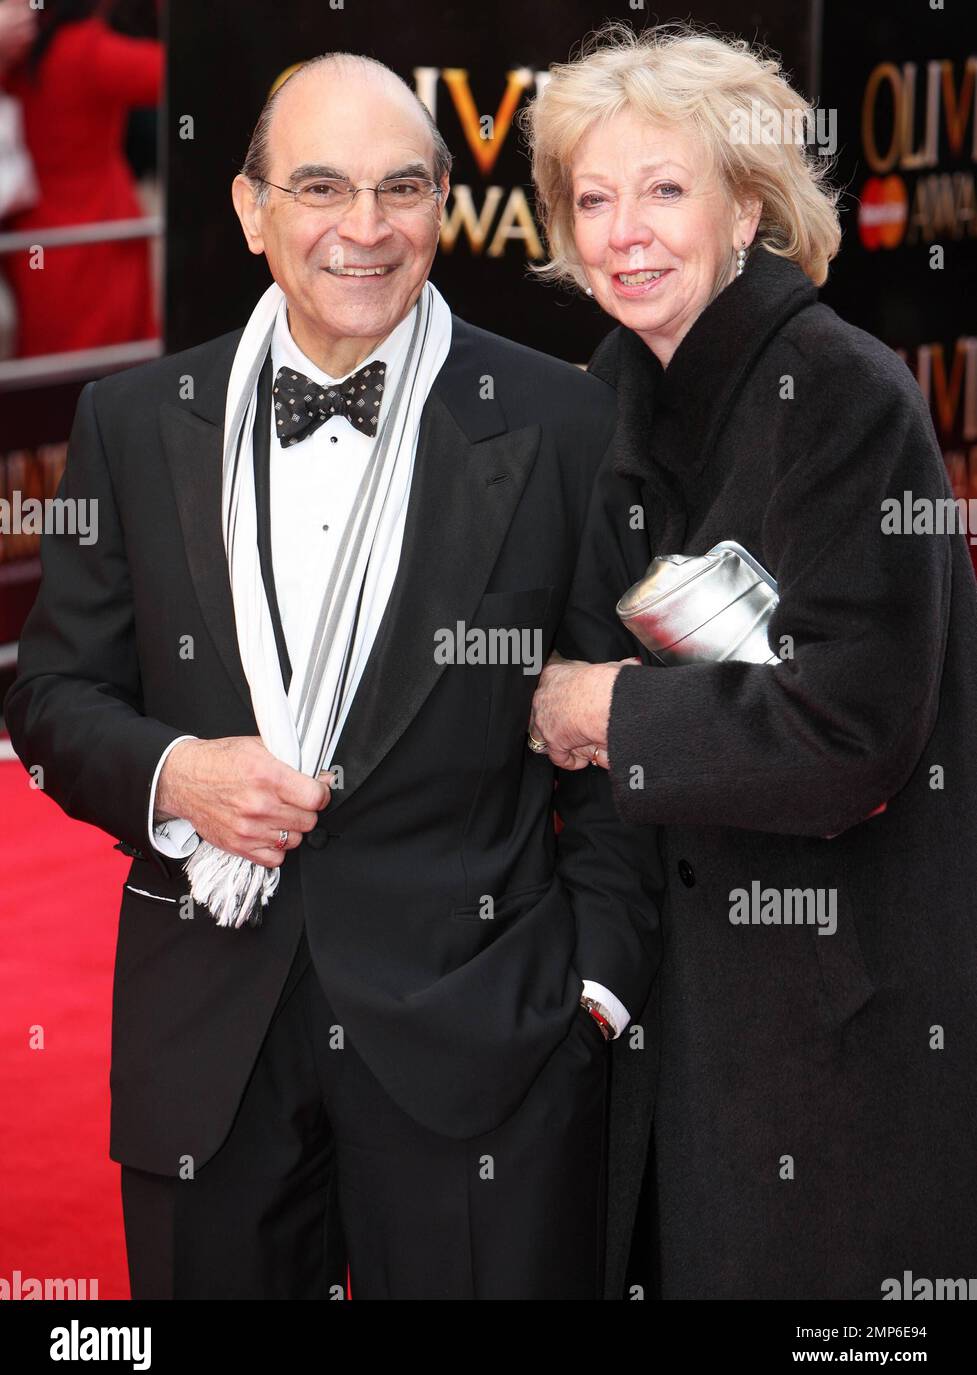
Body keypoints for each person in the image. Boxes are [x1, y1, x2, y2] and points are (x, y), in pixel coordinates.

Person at [4, 51, 660, 1300]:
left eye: (399, 188)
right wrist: (174, 773)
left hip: (486, 1049)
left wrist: (591, 992)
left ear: (440, 209)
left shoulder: (561, 423)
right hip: (209, 1046)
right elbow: (47, 701)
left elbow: (620, 728)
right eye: (320, 187)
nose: (364, 229)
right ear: (252, 211)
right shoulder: (135, 424)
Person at [523, 22, 977, 1299]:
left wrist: (606, 707)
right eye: (594, 199)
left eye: (665, 191)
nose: (625, 232)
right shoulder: (602, 389)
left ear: (746, 206)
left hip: (834, 1016)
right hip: (662, 1002)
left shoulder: (843, 395)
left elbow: (853, 730)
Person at [1, 0, 163, 357]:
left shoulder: (18, 54)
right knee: (107, 377)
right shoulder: (86, 51)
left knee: (49, 379)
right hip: (97, 239)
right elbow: (178, 74)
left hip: (33, 242)